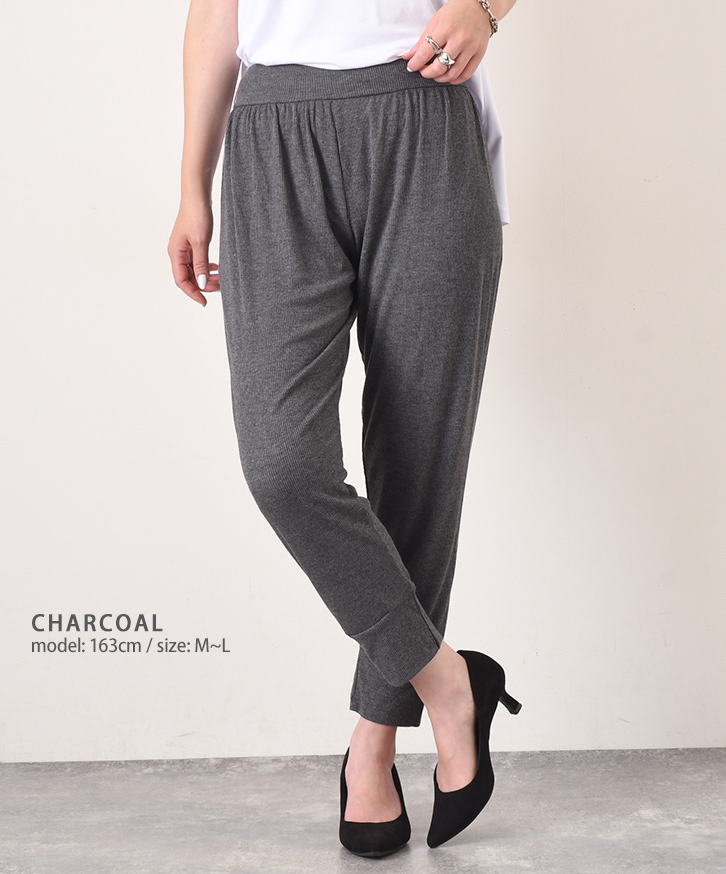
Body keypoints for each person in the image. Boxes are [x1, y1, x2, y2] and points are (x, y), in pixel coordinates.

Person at [168, 0, 522, 857]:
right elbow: (215, 9)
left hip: (426, 114)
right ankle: (449, 682)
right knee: (282, 464)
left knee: (418, 465)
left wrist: (485, 7)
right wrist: (190, 186)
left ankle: (373, 743)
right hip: (274, 135)